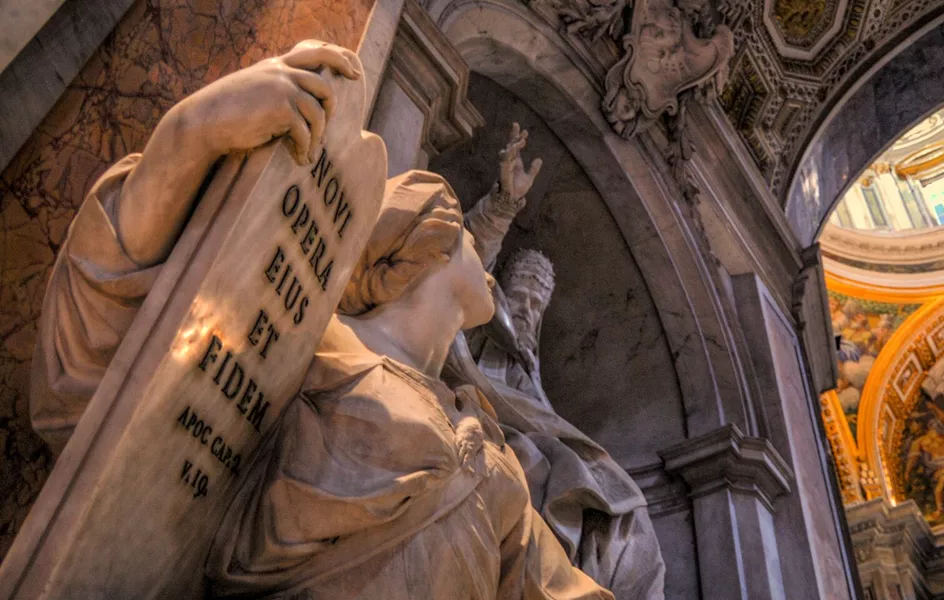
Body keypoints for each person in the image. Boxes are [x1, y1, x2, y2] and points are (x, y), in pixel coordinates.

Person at [30, 40, 611, 599]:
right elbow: (109, 363)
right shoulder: (311, 344)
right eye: (465, 236)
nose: (487, 264)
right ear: (422, 250)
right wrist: (192, 133)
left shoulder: (486, 444)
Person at [457, 123, 667, 599]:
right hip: (482, 416)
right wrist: (502, 208)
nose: (529, 306)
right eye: (523, 293)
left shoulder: (531, 369)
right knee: (534, 463)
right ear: (503, 290)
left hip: (533, 437)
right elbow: (456, 265)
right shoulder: (478, 321)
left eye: (539, 300)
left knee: (627, 513)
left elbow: (548, 421)